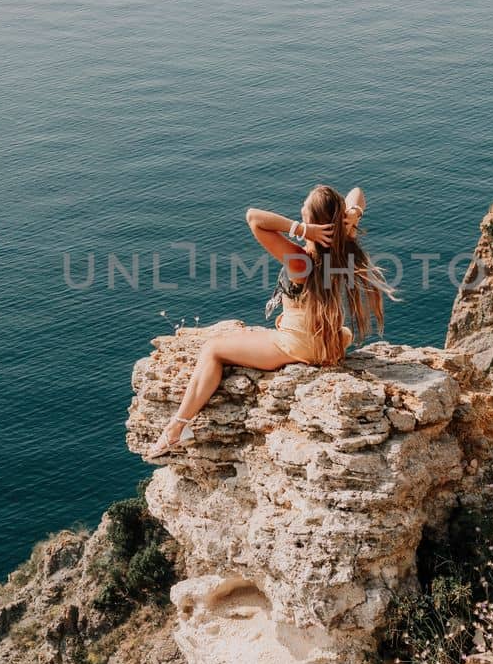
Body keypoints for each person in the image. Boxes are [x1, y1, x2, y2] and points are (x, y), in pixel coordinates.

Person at [143, 185, 391, 459]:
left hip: (297, 346)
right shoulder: (341, 244)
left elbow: (254, 218)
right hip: (329, 341)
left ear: (312, 222)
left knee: (213, 350)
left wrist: (300, 229)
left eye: (303, 211)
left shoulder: (301, 261)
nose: (300, 211)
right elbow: (357, 192)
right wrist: (352, 215)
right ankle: (176, 429)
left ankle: (176, 429)